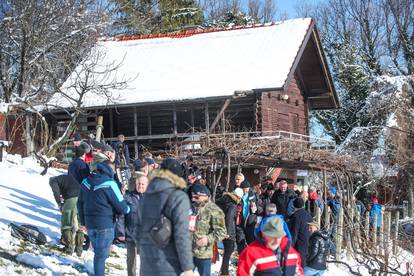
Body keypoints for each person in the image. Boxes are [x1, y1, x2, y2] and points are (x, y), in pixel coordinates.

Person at [137, 158, 194, 276]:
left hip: (146, 263)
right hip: (168, 264)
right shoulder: (178, 197)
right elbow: (181, 234)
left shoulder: (146, 195)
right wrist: (187, 267)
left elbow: (136, 227)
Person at [77, 160, 130, 276]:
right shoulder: (110, 183)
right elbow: (122, 207)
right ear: (110, 170)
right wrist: (128, 209)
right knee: (100, 256)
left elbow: (79, 203)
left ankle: (98, 271)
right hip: (105, 225)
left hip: (90, 225)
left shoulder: (85, 181)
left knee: (100, 254)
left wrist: (83, 222)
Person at [237, 216, 304, 276]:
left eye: (279, 236)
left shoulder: (291, 252)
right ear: (263, 234)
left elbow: (298, 272)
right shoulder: (251, 253)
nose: (276, 241)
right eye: (273, 236)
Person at [190, 184, 226, 276]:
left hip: (203, 254)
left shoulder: (214, 210)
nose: (193, 199)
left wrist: (207, 239)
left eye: (196, 197)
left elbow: (222, 232)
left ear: (205, 196)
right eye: (192, 196)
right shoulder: (192, 208)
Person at [49, 174, 84, 256]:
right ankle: (79, 249)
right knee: (79, 226)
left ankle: (69, 248)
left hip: (71, 200)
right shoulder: (66, 178)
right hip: (81, 199)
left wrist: (59, 204)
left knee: (66, 225)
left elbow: (56, 192)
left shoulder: (53, 181)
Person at [123, 173, 148, 276]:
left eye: (143, 184)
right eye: (139, 184)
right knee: (131, 260)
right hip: (131, 233)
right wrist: (121, 231)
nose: (140, 186)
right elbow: (121, 215)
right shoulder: (128, 197)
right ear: (135, 184)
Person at [215, 189, 242, 276]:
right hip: (228, 232)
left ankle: (223, 270)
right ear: (238, 197)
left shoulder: (224, 201)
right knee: (229, 250)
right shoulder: (232, 205)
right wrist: (228, 233)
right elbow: (229, 219)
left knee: (228, 250)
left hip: (221, 228)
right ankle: (224, 272)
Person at [289, 198, 313, 267]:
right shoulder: (308, 214)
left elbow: (294, 232)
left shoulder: (296, 216)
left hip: (299, 243)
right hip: (308, 241)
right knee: (304, 263)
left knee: (299, 264)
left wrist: (291, 246)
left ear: (294, 206)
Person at [240, 180, 258, 245]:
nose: (246, 191)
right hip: (241, 221)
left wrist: (254, 207)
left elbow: (256, 210)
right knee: (241, 241)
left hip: (250, 221)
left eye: (247, 189)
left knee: (251, 240)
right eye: (244, 189)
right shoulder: (239, 196)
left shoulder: (252, 196)